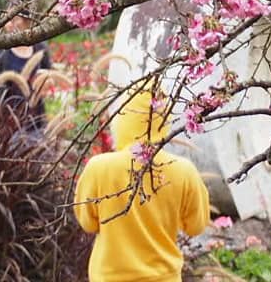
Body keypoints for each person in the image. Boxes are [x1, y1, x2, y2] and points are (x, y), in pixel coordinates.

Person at [74, 90, 210, 282]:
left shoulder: (98, 168)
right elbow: (196, 227)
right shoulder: (184, 171)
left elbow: (88, 223)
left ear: (123, 119)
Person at [0, 12, 52, 132]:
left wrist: (44, 83)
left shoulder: (40, 49)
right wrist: (2, 86)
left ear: (27, 21)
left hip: (35, 119)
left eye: (14, 19)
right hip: (7, 122)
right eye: (6, 20)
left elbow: (49, 74)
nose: (9, 24)